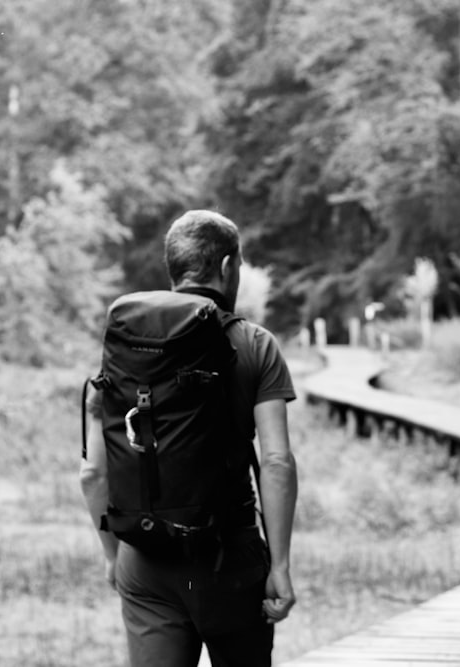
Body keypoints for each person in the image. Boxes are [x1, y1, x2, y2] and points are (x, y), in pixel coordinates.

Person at [80, 210, 298, 667]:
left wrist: (111, 554)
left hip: (144, 560)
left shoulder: (127, 350)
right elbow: (276, 463)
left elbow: (92, 472)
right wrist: (279, 566)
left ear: (174, 269)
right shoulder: (255, 344)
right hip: (229, 560)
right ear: (226, 267)